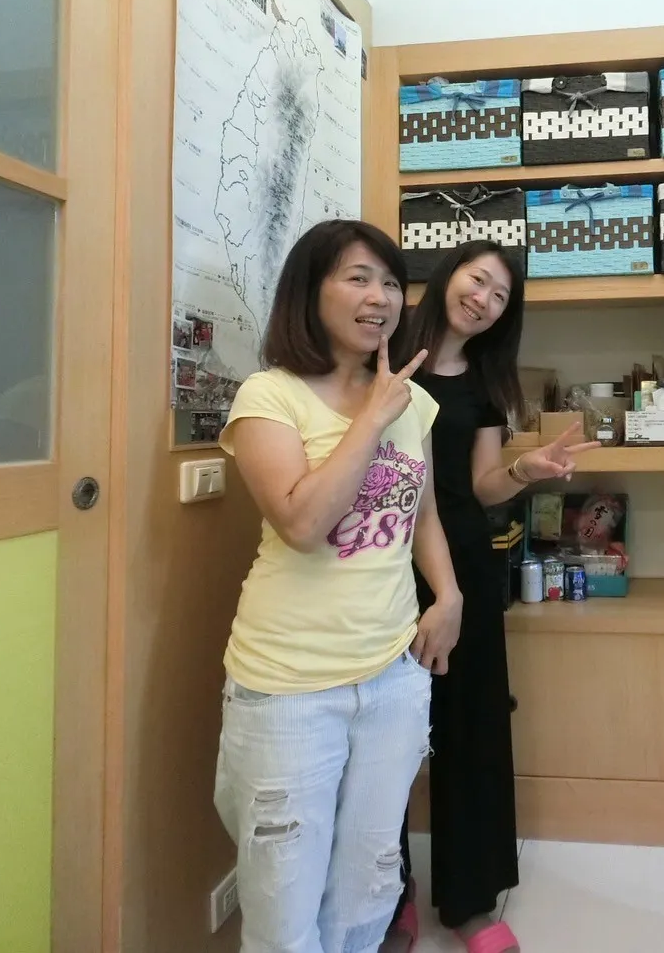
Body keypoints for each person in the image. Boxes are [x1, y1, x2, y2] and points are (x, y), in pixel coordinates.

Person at [213, 220, 464, 953]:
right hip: (288, 686)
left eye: (390, 283)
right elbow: (301, 522)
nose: (380, 297)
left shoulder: (412, 402)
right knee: (284, 905)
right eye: (358, 278)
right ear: (309, 290)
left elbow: (422, 514)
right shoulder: (269, 396)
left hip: (391, 676)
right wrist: (372, 416)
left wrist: (448, 595)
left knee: (369, 885)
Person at [382, 241, 597, 953]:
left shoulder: (481, 385)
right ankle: (389, 898)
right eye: (478, 281)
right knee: (380, 735)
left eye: (500, 296)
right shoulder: (383, 351)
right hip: (380, 560)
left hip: (465, 565)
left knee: (469, 728)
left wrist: (525, 470)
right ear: (449, 276)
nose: (483, 299)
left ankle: (469, 903)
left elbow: (480, 486)